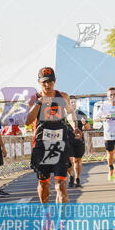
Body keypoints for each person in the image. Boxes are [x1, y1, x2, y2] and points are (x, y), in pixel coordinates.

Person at [26, 67, 81, 204]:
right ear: (39, 82)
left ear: (55, 81)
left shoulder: (63, 96)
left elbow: (69, 112)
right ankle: (46, 213)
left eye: (50, 81)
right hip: (41, 145)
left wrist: (75, 127)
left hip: (60, 145)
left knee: (61, 185)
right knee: (44, 184)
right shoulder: (34, 98)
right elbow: (28, 120)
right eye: (44, 82)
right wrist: (40, 102)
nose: (47, 85)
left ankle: (61, 221)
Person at [94, 87, 115, 185]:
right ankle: (111, 169)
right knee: (111, 154)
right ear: (108, 97)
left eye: (114, 94)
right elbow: (96, 118)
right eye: (111, 95)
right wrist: (103, 117)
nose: (113, 96)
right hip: (109, 134)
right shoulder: (104, 107)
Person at [67, 98, 89, 188]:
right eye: (71, 102)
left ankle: (78, 179)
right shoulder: (64, 114)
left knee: (77, 160)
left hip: (79, 140)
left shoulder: (81, 114)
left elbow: (88, 127)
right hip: (68, 139)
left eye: (74, 102)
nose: (73, 103)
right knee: (69, 161)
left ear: (77, 103)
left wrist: (84, 124)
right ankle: (71, 176)